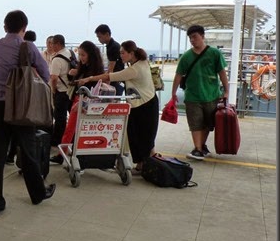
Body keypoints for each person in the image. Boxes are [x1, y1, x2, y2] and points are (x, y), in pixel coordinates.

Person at [0, 10, 56, 216]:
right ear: (24, 27)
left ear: (5, 26)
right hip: (22, 106)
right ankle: (38, 193)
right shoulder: (28, 46)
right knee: (28, 151)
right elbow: (45, 74)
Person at [78, 40, 159, 173]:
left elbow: (111, 76)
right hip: (146, 102)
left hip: (143, 105)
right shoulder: (142, 62)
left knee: (141, 136)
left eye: (122, 53)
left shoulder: (134, 69)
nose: (120, 55)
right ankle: (144, 164)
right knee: (142, 135)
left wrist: (89, 78)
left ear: (131, 53)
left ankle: (144, 165)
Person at [172, 24, 228, 160]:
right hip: (192, 96)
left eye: (194, 37)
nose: (192, 40)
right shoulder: (186, 57)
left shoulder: (215, 53)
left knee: (208, 124)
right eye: (190, 38)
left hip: (211, 95)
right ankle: (198, 149)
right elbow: (178, 75)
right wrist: (173, 93)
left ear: (202, 36)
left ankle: (201, 146)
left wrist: (226, 91)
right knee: (195, 123)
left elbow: (222, 73)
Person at [58, 40, 105, 147]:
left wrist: (81, 102)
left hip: (82, 101)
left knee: (72, 128)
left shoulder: (94, 71)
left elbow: (93, 88)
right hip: (78, 99)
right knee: (75, 128)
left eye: (83, 55)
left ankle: (64, 151)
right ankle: (71, 150)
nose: (80, 57)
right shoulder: (85, 67)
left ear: (90, 55)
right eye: (79, 55)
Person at [49, 34, 76, 148]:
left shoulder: (56, 59)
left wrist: (53, 90)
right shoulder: (70, 53)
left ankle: (57, 140)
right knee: (72, 117)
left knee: (59, 117)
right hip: (71, 90)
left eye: (52, 44)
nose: (51, 46)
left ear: (58, 44)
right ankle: (72, 139)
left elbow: (54, 78)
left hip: (61, 91)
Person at [95, 24, 125, 96]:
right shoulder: (111, 46)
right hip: (117, 78)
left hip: (116, 80)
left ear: (107, 34)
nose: (99, 39)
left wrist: (106, 84)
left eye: (100, 37)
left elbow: (111, 68)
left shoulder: (113, 47)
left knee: (113, 101)